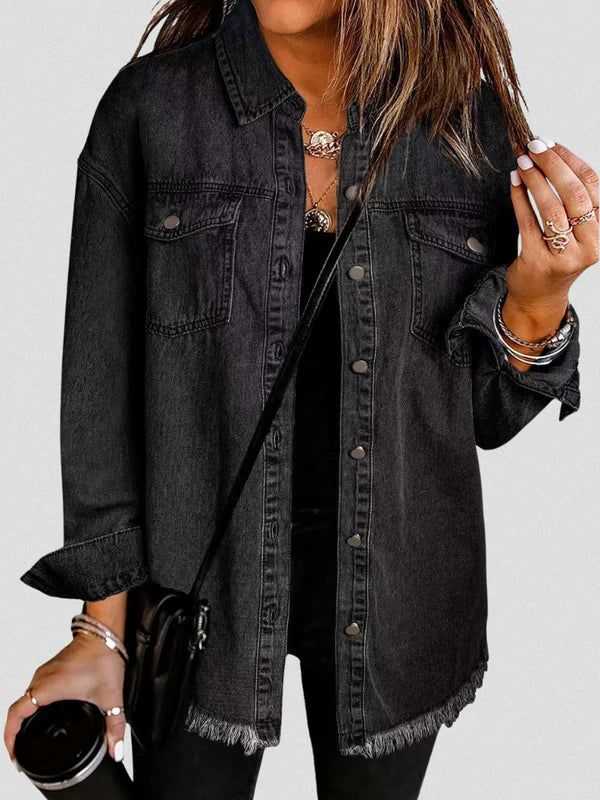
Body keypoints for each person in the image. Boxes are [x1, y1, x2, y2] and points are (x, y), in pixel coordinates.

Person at [5, 1, 598, 797]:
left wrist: (541, 295)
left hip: (403, 597)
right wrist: (100, 630)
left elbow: (484, 419)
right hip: (195, 592)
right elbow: (99, 392)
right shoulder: (151, 109)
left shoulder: (465, 125)